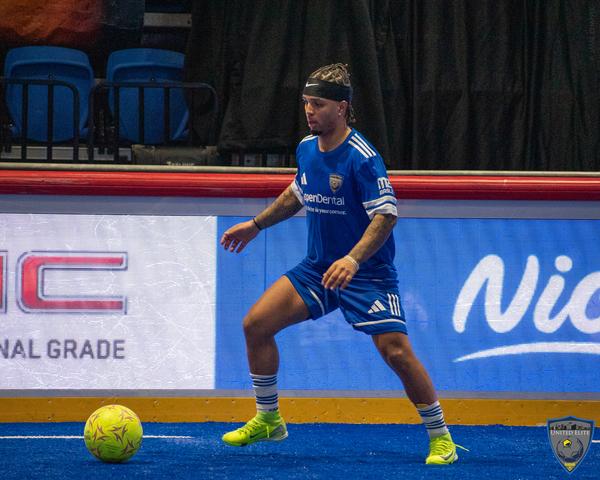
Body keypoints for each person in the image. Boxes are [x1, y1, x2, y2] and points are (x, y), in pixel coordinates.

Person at [220, 63, 462, 465]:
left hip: (367, 274)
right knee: (256, 325)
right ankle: (269, 419)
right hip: (318, 269)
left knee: (396, 353)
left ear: (342, 108)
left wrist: (352, 259)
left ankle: (442, 439)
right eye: (306, 102)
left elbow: (385, 216)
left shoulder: (363, 158)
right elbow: (297, 194)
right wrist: (256, 225)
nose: (309, 111)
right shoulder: (306, 148)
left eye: (318, 104)